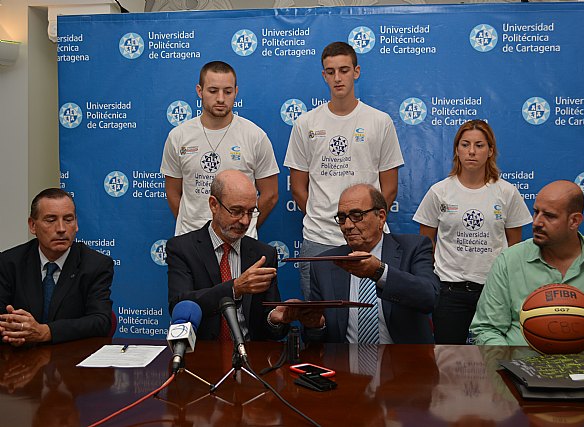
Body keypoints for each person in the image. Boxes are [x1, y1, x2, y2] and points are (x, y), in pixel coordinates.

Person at [284, 41, 404, 300]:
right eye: (330, 71)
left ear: (356, 71)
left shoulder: (379, 121)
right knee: (318, 322)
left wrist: (363, 225)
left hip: (370, 240)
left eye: (344, 70)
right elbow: (297, 187)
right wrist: (330, 221)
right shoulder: (305, 123)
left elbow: (389, 187)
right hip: (319, 239)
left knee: (373, 317)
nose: (337, 78)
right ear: (323, 75)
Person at [470, 180, 584, 360]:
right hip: (520, 370)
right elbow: (487, 329)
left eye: (549, 216)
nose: (536, 222)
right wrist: (509, 367)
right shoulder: (509, 260)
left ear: (574, 221)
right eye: (536, 212)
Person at [412, 120, 532, 344]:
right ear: (457, 149)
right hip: (448, 291)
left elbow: (515, 247)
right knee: (447, 361)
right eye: (465, 144)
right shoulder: (439, 191)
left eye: (479, 145)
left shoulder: (507, 192)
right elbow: (425, 243)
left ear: (491, 151)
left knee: (496, 357)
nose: (472, 151)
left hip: (493, 290)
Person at [272, 184, 438, 344]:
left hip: (403, 364)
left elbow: (428, 298)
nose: (348, 226)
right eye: (342, 218)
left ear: (381, 217)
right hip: (345, 365)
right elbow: (316, 342)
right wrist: (315, 324)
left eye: (357, 216)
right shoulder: (325, 264)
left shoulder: (413, 248)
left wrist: (379, 272)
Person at [161, 61, 279, 238]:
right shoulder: (178, 136)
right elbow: (172, 192)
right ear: (200, 91)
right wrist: (195, 232)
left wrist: (243, 225)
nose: (221, 98)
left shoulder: (255, 136)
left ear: (236, 92)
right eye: (213, 91)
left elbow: (270, 194)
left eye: (228, 91)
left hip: (240, 241)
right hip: (191, 241)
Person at [166, 170, 288, 341]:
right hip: (204, 356)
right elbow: (180, 305)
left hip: (251, 357)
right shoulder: (182, 248)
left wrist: (275, 319)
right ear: (213, 205)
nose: (245, 221)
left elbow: (270, 332)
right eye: (236, 211)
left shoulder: (263, 255)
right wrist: (234, 288)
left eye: (250, 212)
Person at [0, 188, 113, 346]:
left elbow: (101, 321)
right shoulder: (9, 262)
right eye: (51, 220)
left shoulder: (95, 265)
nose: (61, 228)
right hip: (20, 358)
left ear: (76, 224)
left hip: (72, 361)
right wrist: (15, 332)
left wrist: (47, 332)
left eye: (68, 219)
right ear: (33, 225)